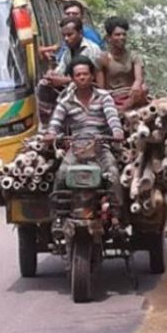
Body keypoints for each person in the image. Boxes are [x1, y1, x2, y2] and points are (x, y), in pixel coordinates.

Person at [47, 56, 124, 217]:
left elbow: (112, 117)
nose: (82, 77)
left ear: (92, 76)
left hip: (100, 147)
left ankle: (116, 215)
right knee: (61, 175)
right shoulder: (66, 101)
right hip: (76, 149)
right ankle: (58, 217)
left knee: (113, 174)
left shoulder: (104, 96)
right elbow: (55, 122)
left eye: (85, 74)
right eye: (78, 75)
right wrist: (51, 134)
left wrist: (117, 131)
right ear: (73, 78)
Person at [37, 17, 102, 128]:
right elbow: (61, 69)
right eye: (64, 36)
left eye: (70, 35)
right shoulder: (68, 51)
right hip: (71, 85)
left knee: (70, 89)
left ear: (80, 33)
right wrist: (52, 75)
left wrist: (64, 81)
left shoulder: (91, 49)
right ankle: (48, 125)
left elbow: (91, 77)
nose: (66, 39)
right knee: (43, 85)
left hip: (89, 88)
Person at [96, 16, 148, 111]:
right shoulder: (102, 58)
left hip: (133, 97)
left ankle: (124, 110)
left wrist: (135, 88)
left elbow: (139, 80)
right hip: (112, 99)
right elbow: (101, 89)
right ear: (109, 38)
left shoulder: (134, 56)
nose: (122, 37)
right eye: (117, 35)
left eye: (124, 34)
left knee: (143, 88)